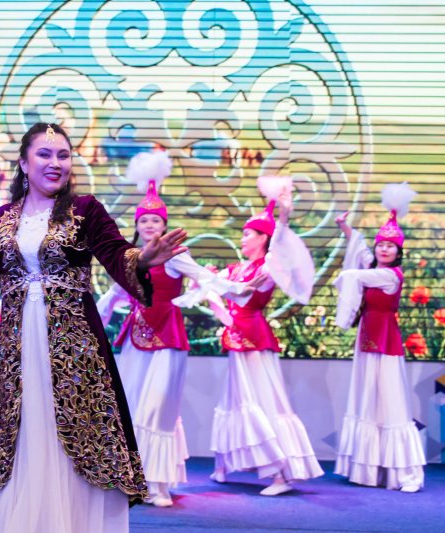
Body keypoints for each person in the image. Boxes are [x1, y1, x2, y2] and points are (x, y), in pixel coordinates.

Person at [0, 122, 188, 533]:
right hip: (17, 348)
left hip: (76, 348)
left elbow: (115, 253)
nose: (56, 163)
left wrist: (142, 260)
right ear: (23, 162)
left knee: (79, 432)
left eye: (63, 155)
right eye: (44, 154)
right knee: (24, 434)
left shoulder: (86, 210)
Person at [95, 150, 233, 507]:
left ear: (164, 224)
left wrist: (235, 292)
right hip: (135, 337)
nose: (149, 226)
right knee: (130, 406)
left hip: (168, 337)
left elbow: (204, 278)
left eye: (155, 220)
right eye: (144, 221)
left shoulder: (176, 254)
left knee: (158, 409)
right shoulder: (129, 256)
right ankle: (131, 479)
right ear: (137, 225)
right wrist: (93, 323)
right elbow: (112, 296)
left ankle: (158, 484)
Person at [178, 177, 323, 496]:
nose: (242, 239)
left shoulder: (268, 268)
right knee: (234, 401)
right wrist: (207, 289)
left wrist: (283, 215)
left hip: (255, 340)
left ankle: (282, 474)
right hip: (237, 338)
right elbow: (211, 288)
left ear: (262, 238)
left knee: (261, 401)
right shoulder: (236, 269)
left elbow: (277, 254)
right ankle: (224, 465)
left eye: (247, 234)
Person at [332, 182, 426, 492]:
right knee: (367, 400)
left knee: (391, 403)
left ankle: (407, 474)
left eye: (390, 246)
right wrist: (345, 226)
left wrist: (342, 281)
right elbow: (359, 250)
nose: (384, 249)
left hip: (385, 344)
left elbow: (355, 274)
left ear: (399, 252)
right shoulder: (374, 266)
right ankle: (369, 471)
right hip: (368, 340)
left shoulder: (389, 276)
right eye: (381, 245)